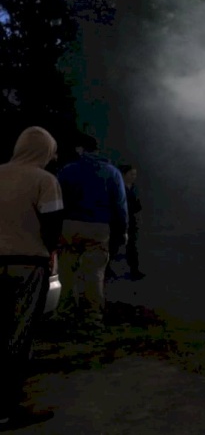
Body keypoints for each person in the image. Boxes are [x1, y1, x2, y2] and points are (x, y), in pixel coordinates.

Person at [0, 127, 63, 429]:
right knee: (18, 338)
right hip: (27, 266)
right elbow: (52, 227)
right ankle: (6, 410)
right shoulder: (45, 181)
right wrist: (50, 252)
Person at [56, 133, 128, 334]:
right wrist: (122, 231)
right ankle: (92, 318)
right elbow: (120, 206)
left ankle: (65, 312)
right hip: (98, 227)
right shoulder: (112, 173)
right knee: (94, 274)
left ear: (81, 149)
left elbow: (57, 198)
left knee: (67, 272)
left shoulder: (68, 170)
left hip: (69, 225)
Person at [117, 164, 145, 281]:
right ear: (124, 174)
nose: (134, 177)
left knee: (132, 246)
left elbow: (138, 205)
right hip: (119, 219)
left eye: (135, 174)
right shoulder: (118, 186)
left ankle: (134, 270)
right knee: (114, 245)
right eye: (131, 174)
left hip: (131, 221)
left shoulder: (134, 188)